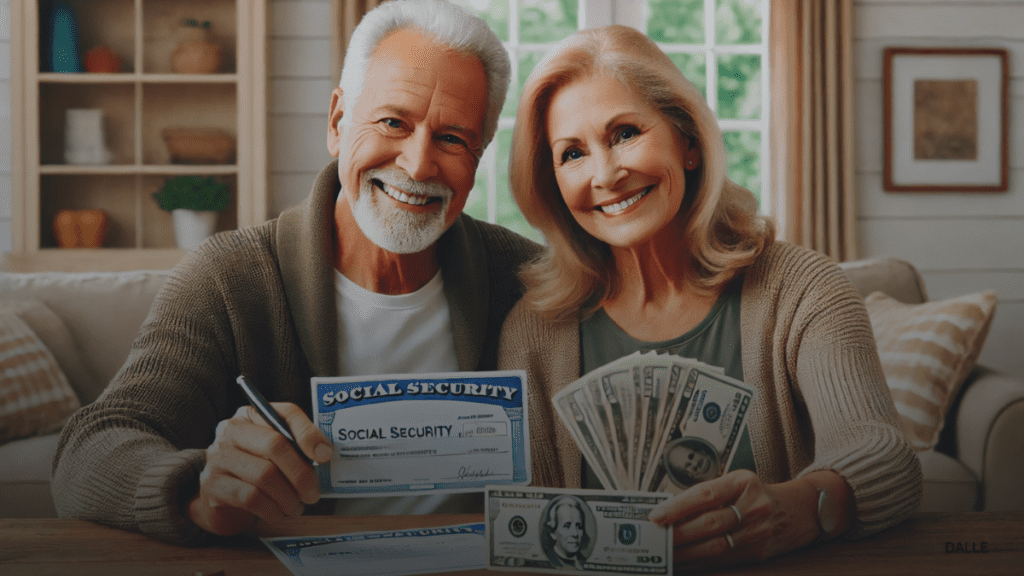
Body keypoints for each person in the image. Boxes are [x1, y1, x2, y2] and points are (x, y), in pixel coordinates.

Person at [52, 0, 539, 546]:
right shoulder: (229, 278)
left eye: (452, 138)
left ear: (479, 156)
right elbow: (89, 449)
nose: (419, 164)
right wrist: (200, 492)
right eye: (392, 122)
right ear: (337, 122)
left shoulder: (526, 279)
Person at [497, 25, 922, 570]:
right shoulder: (533, 328)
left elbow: (887, 458)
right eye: (572, 153)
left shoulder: (802, 290)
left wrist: (802, 506)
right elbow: (528, 533)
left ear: (688, 143)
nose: (605, 174)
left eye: (625, 133)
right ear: (551, 181)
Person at [542, 496, 590, 569]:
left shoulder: (584, 561)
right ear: (552, 532)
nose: (575, 534)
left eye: (579, 526)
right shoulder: (547, 561)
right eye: (567, 526)